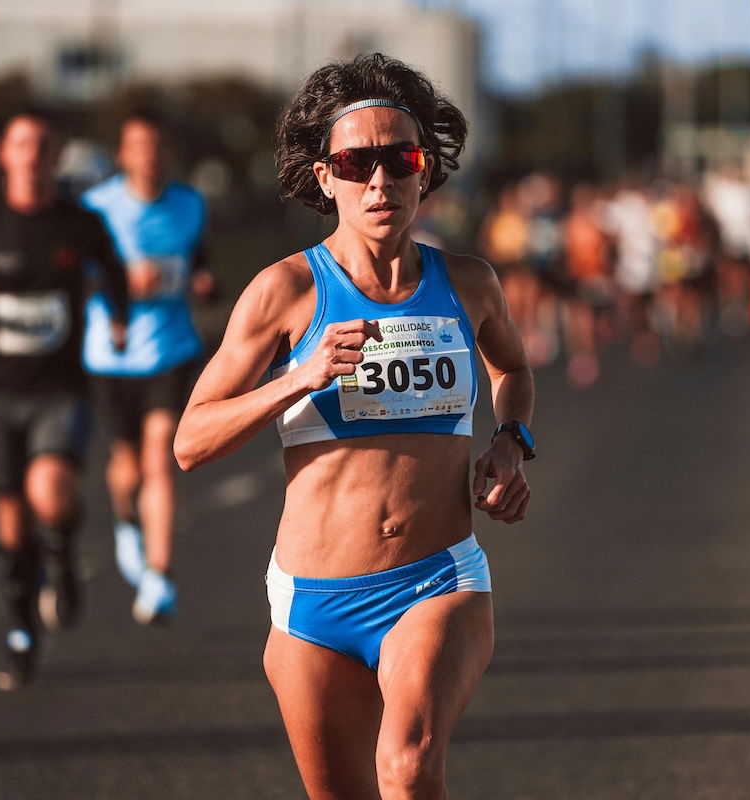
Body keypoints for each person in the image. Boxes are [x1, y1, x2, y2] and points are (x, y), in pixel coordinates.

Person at [174, 53, 536, 798]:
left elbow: (513, 372)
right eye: (356, 162)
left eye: (399, 159)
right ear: (325, 176)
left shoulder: (468, 283)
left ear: (424, 171)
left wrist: (510, 440)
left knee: (406, 767)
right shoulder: (286, 291)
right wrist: (296, 379)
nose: (380, 182)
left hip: (437, 578)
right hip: (314, 601)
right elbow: (190, 441)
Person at [0, 109, 129, 690]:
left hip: (60, 390)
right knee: (11, 529)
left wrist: (118, 315)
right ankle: (21, 633)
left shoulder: (79, 221)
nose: (30, 155)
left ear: (54, 155)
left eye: (42, 145)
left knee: (49, 491)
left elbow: (113, 271)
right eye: (20, 144)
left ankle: (64, 556)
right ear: (6, 156)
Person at [81, 111, 216, 624]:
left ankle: (159, 575)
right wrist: (117, 286)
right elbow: (75, 277)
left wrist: (204, 282)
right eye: (137, 146)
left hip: (170, 349)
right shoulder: (96, 207)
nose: (148, 155)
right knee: (126, 465)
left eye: (156, 145)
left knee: (160, 459)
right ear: (122, 154)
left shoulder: (190, 204)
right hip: (110, 355)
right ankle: (124, 524)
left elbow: (202, 264)